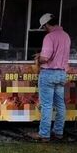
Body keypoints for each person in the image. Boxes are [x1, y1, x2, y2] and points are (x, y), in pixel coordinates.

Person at [28, 13, 71, 142]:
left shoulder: (49, 37)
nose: (44, 29)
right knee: (60, 105)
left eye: (44, 26)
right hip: (62, 74)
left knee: (46, 105)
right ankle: (58, 132)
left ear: (47, 24)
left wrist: (39, 58)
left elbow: (46, 58)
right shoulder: (66, 36)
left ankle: (44, 134)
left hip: (49, 74)